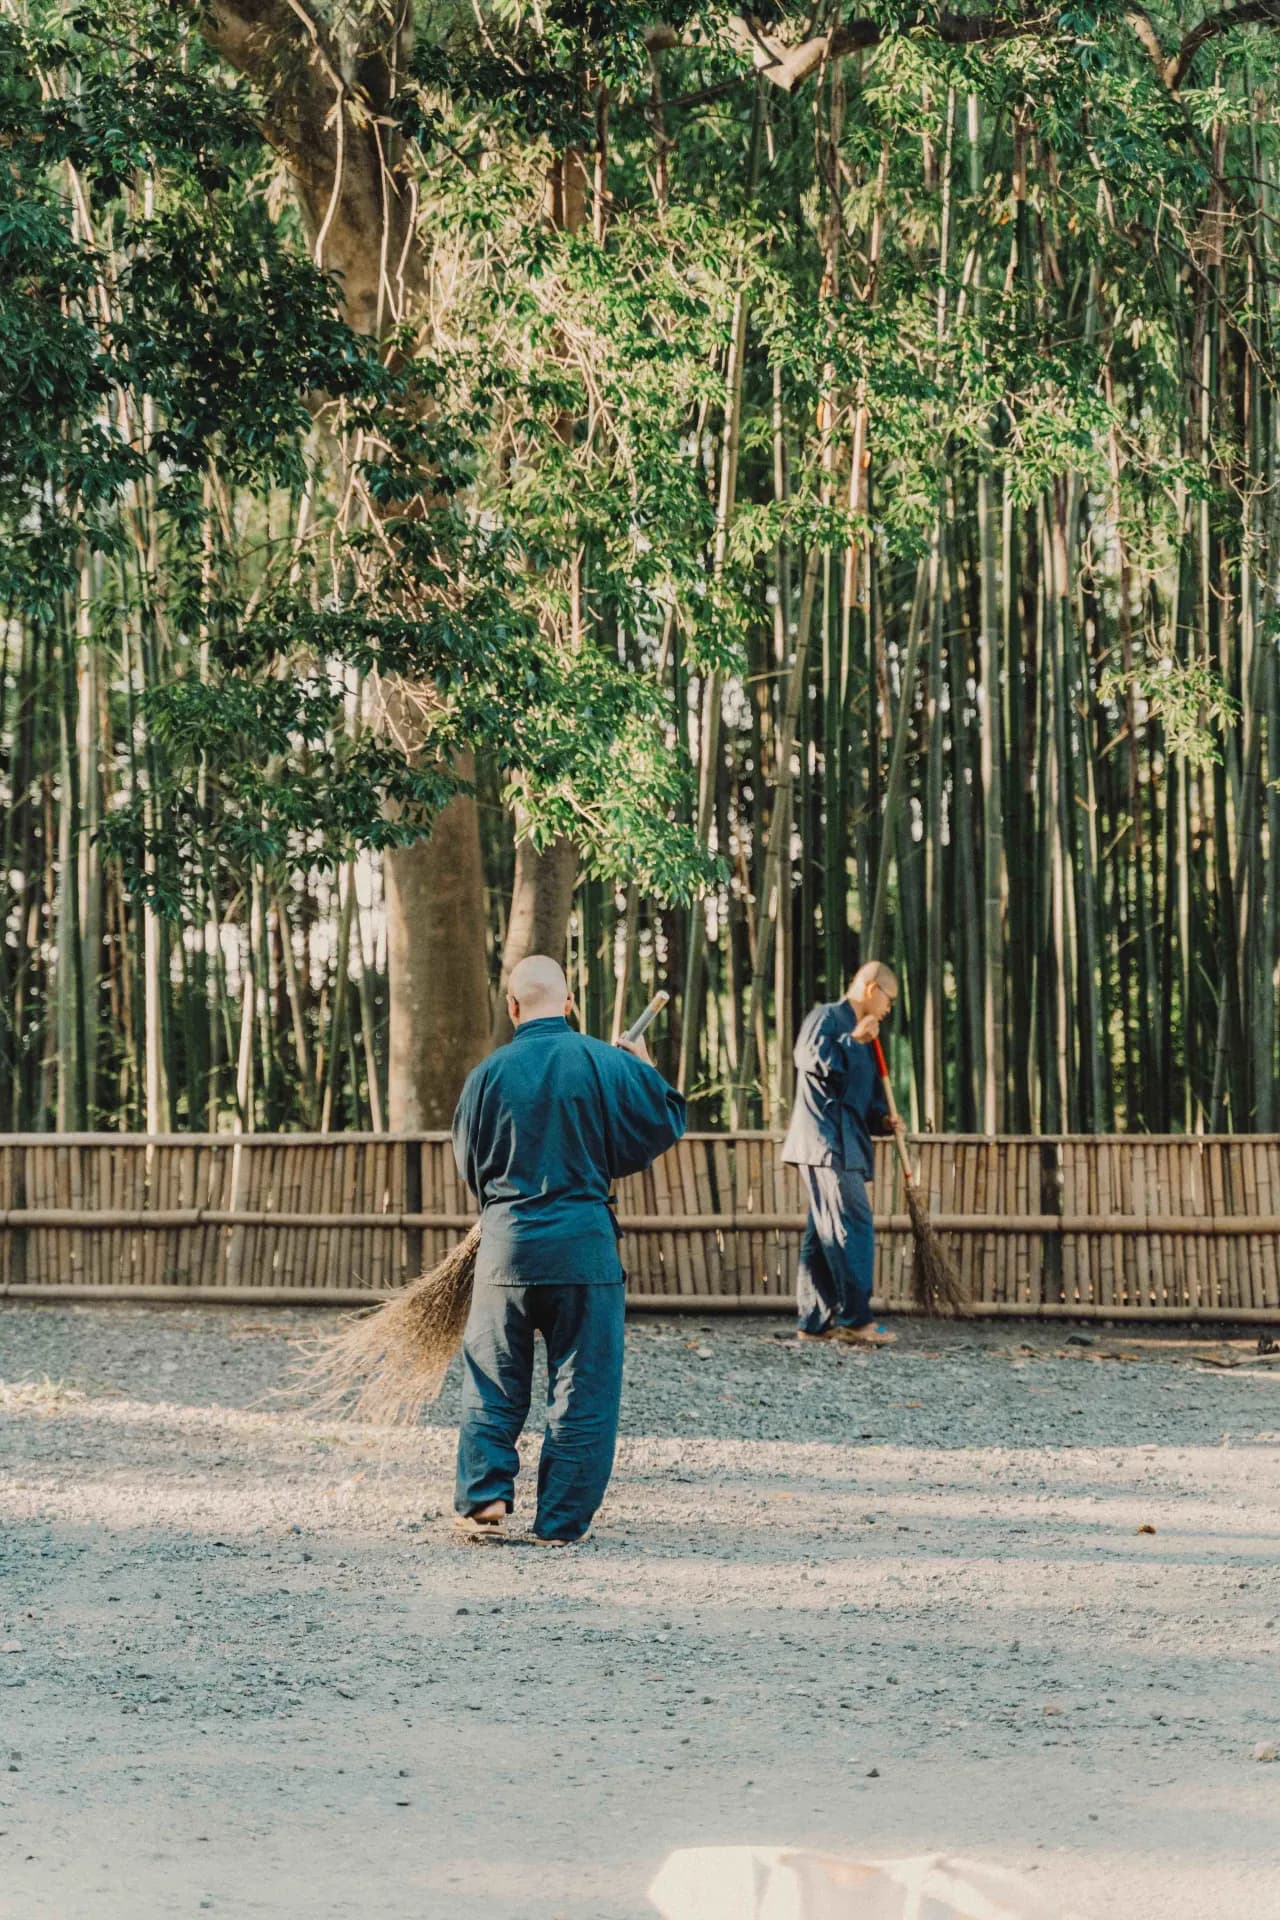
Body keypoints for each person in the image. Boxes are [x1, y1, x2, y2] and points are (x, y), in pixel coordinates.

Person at [450, 954, 686, 1545]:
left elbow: (469, 1164)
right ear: (570, 1002)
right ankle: (559, 1523)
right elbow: (663, 1120)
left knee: (492, 1379)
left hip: (506, 1246)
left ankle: (485, 1497)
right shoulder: (604, 1062)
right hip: (583, 1248)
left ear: (512, 1008)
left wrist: (505, 1204)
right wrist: (642, 1066)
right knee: (584, 1386)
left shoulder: (487, 1075)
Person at [780, 960, 907, 1347]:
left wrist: (883, 1120)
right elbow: (812, 1062)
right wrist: (853, 1041)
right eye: (889, 999)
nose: (889, 1008)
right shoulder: (826, 1018)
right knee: (853, 1226)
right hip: (824, 1141)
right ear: (870, 989)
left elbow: (861, 1099)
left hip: (847, 1141)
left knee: (823, 1234)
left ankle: (814, 1322)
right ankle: (856, 1320)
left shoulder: (869, 1036)